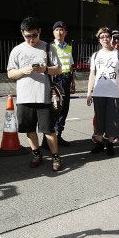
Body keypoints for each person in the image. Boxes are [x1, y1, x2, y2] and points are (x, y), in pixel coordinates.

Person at [7, 17, 62, 171]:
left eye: (34, 35)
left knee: (49, 130)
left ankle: (55, 157)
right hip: (24, 98)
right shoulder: (17, 50)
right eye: (27, 36)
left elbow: (58, 69)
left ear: (40, 32)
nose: (31, 39)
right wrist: (23, 71)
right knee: (29, 130)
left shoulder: (48, 48)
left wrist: (44, 69)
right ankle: (36, 154)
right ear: (22, 33)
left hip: (43, 97)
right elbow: (10, 73)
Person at [86, 27, 119, 156]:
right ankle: (99, 142)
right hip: (98, 92)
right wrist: (89, 92)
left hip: (114, 92)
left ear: (111, 38)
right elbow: (92, 74)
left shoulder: (118, 54)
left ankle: (110, 143)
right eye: (102, 36)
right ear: (99, 39)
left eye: (107, 36)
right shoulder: (95, 55)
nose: (105, 38)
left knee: (113, 119)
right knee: (99, 119)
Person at [42, 21, 75, 149]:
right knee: (52, 110)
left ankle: (58, 135)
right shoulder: (49, 47)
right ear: (53, 32)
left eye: (62, 30)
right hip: (54, 80)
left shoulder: (68, 47)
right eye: (57, 30)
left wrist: (73, 82)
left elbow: (70, 66)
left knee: (64, 109)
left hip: (66, 80)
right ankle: (47, 140)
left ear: (65, 32)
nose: (59, 32)